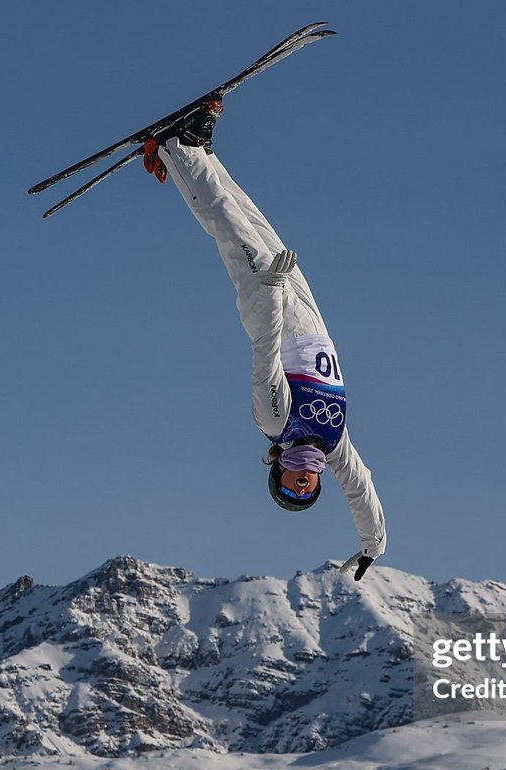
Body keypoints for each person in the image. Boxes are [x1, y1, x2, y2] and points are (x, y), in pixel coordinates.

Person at [143, 98, 386, 581]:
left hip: (271, 310)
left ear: (279, 472)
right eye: (308, 490)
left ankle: (176, 147)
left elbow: (266, 356)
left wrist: (272, 293)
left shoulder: (275, 420)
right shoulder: (335, 448)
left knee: (232, 232)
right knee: (256, 224)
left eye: (291, 489)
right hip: (313, 323)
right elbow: (363, 490)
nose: (303, 485)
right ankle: (202, 154)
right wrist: (372, 545)